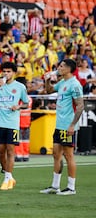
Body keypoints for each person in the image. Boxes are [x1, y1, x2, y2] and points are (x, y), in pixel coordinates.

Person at [41, 59, 84, 195]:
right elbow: (48, 91)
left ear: (69, 69)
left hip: (67, 125)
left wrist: (72, 125)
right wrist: (47, 80)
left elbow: (80, 105)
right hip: (59, 124)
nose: (58, 68)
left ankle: (71, 187)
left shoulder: (75, 84)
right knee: (56, 154)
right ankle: (55, 186)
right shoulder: (63, 83)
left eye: (61, 66)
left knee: (68, 155)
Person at [0, 61, 29, 191]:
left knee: (10, 150)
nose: (6, 73)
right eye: (4, 71)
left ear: (14, 73)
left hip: (12, 123)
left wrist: (18, 106)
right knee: (0, 152)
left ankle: (7, 177)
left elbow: (26, 103)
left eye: (9, 71)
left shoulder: (20, 87)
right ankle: (8, 175)